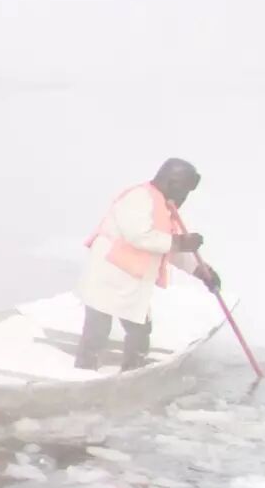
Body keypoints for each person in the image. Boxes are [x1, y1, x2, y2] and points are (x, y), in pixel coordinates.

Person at [73, 157, 221, 371]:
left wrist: (200, 270)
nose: (185, 197)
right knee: (97, 329)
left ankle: (133, 370)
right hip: (108, 276)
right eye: (184, 191)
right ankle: (84, 370)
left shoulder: (164, 208)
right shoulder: (139, 198)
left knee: (140, 331)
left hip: (132, 284)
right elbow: (139, 236)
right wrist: (180, 242)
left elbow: (168, 247)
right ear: (172, 183)